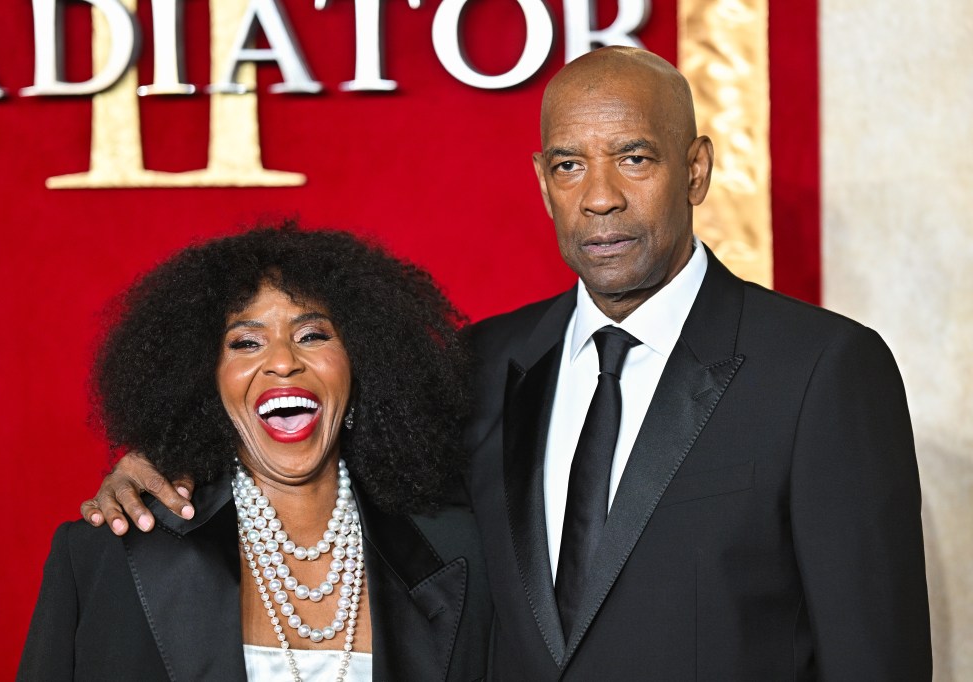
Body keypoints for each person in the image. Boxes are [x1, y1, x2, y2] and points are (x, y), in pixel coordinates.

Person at [80, 47, 933, 679]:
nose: (600, 195)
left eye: (634, 157)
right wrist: (169, 461)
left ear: (697, 169)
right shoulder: (483, 365)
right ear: (542, 181)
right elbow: (326, 475)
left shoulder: (821, 372)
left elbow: (875, 659)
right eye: (570, 165)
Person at [19, 224, 491, 681]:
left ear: (362, 362)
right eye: (246, 343)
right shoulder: (104, 556)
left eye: (312, 336)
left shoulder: (464, 552)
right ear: (204, 380)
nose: (283, 361)